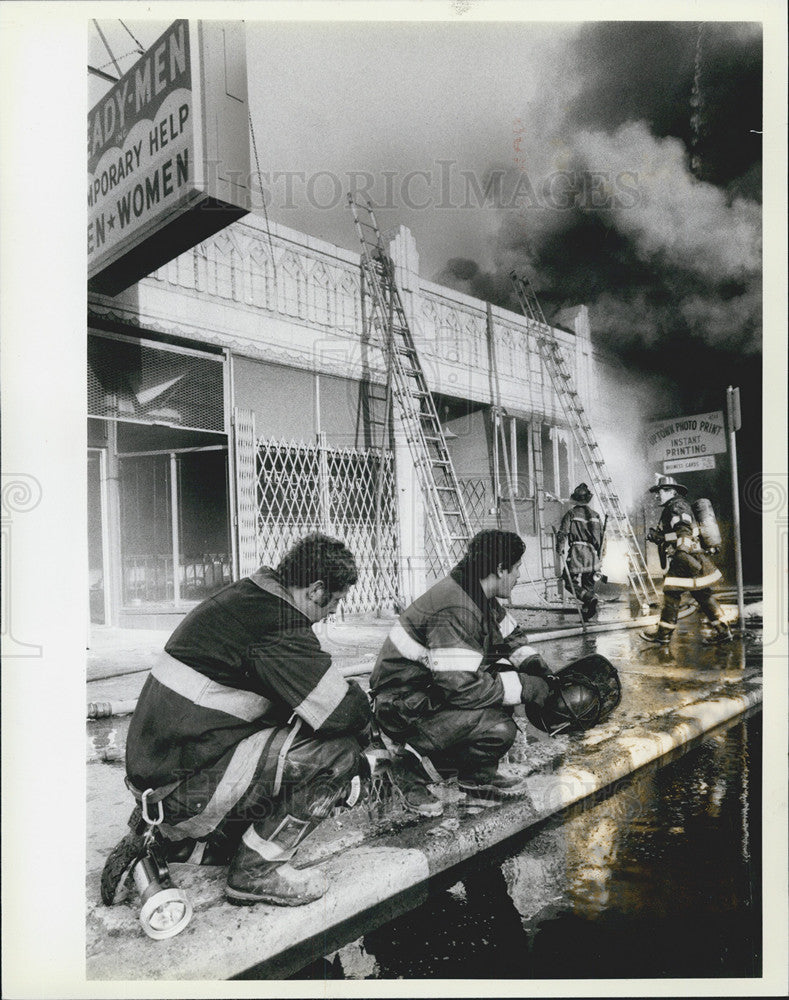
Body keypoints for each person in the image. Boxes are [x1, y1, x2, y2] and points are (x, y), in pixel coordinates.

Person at [103, 533, 371, 908]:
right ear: (316, 589)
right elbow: (341, 712)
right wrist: (366, 714)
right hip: (180, 790)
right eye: (336, 601)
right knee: (338, 755)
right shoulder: (277, 625)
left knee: (288, 727)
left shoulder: (248, 597)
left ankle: (175, 840)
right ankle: (256, 872)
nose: (333, 612)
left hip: (157, 783)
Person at [369, 530, 555, 817]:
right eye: (517, 567)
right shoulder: (456, 607)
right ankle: (407, 767)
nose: (519, 575)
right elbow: (461, 688)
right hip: (402, 704)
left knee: (500, 719)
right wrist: (526, 687)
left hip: (425, 694)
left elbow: (511, 639)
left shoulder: (477, 594)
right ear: (500, 569)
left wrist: (536, 667)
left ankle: (475, 776)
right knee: (496, 724)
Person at [640, 476, 733, 646]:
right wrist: (661, 537)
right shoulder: (675, 505)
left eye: (659, 492)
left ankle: (664, 635)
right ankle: (723, 631)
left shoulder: (676, 506)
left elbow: (683, 531)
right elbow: (679, 533)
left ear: (670, 491)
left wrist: (678, 552)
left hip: (684, 556)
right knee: (703, 595)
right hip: (693, 557)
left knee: (671, 593)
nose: (656, 496)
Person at [555, 483, 605, 621]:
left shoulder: (571, 514)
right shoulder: (596, 515)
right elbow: (601, 538)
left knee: (568, 580)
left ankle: (589, 599)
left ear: (575, 499)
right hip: (592, 553)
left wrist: (559, 547)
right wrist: (600, 556)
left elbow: (562, 533)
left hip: (577, 552)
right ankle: (588, 611)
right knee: (588, 583)